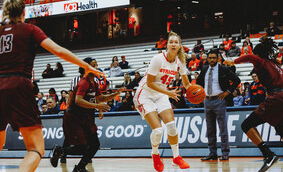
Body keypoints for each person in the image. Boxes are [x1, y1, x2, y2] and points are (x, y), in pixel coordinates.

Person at [0, 0, 103, 172]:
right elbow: (58, 50)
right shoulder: (29, 29)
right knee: (35, 148)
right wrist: (86, 66)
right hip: (19, 83)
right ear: (24, 12)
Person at [224, 37, 283, 171]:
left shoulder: (261, 62)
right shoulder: (276, 65)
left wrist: (232, 61)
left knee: (246, 125)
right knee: (279, 126)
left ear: (258, 54)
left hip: (279, 97)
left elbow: (250, 57)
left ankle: (268, 154)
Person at [50, 57, 125, 172]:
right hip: (75, 118)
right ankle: (61, 152)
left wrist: (116, 93)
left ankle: (77, 166)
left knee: (94, 145)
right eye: (93, 65)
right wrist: (97, 106)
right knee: (84, 146)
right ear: (86, 68)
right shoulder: (83, 83)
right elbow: (78, 100)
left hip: (85, 117)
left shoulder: (94, 83)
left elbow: (100, 98)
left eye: (96, 65)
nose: (96, 67)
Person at [133, 31, 191, 171]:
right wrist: (168, 92)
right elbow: (150, 83)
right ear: (167, 45)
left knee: (171, 126)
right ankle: (155, 154)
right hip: (145, 94)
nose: (173, 44)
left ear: (179, 46)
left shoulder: (180, 62)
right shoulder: (158, 59)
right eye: (171, 42)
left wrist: (197, 93)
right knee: (158, 130)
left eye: (176, 42)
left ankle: (176, 157)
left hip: (161, 94)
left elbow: (188, 85)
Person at [196, 50, 240, 161]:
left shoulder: (223, 69)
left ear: (218, 58)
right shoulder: (205, 69)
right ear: (207, 59)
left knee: (222, 128)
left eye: (214, 58)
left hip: (219, 101)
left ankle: (225, 152)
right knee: (210, 129)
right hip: (207, 100)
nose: (211, 60)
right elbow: (198, 83)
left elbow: (237, 80)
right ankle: (212, 153)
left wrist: (227, 92)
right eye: (210, 58)